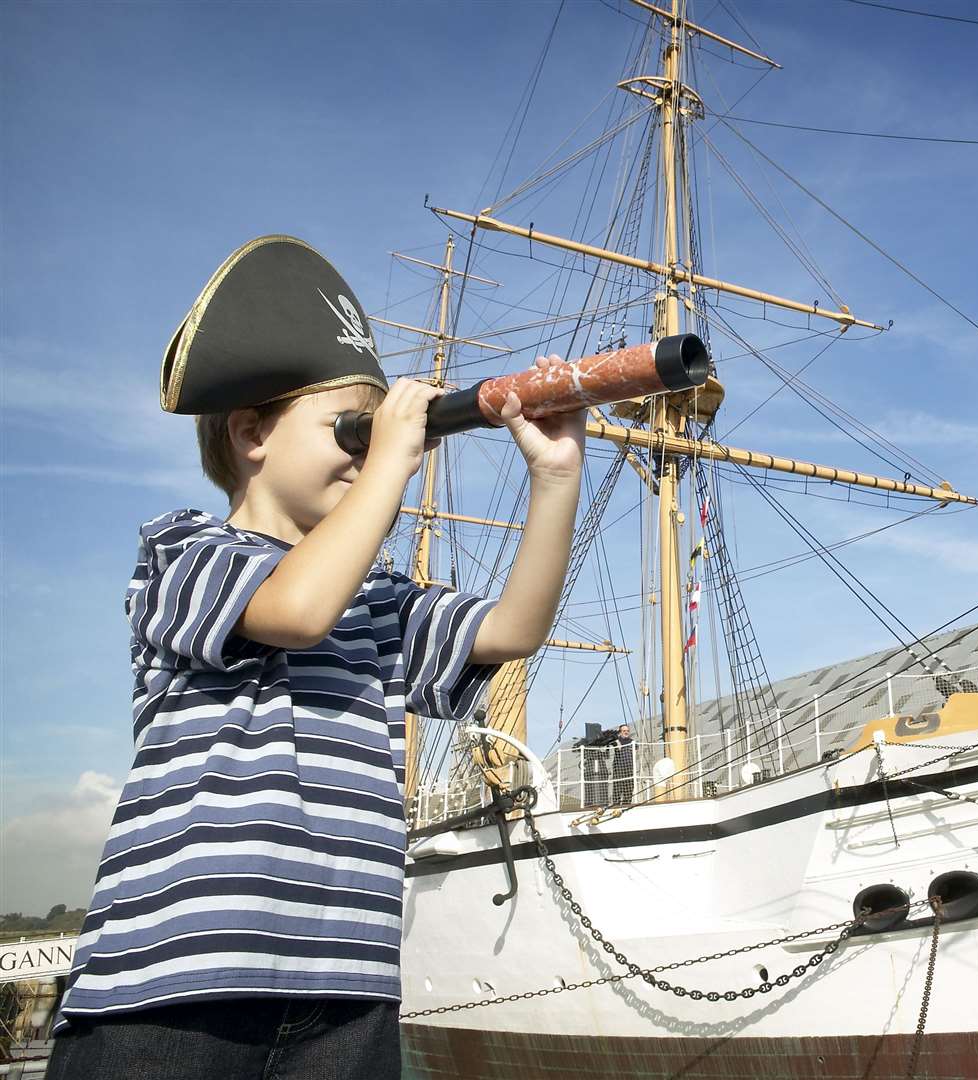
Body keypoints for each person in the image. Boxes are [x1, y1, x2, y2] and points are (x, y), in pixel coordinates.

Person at [45, 236, 583, 1080]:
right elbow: (294, 610)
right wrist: (397, 457)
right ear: (251, 433)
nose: (371, 453)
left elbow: (511, 631)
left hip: (347, 986)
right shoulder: (183, 557)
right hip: (174, 987)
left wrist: (555, 477)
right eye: (351, 432)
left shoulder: (372, 600)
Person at [612, 723, 636, 805]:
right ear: (620, 732)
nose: (626, 732)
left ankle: (627, 805)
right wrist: (616, 744)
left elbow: (636, 747)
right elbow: (611, 744)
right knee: (617, 789)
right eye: (624, 731)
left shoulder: (632, 742)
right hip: (619, 770)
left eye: (627, 731)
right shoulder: (616, 741)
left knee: (629, 790)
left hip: (629, 770)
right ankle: (616, 806)